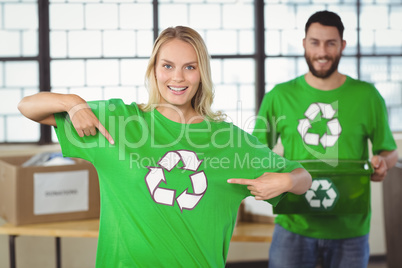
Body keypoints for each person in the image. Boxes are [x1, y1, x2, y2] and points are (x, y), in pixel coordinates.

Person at [18, 26, 311, 267]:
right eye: (167, 66)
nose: (178, 77)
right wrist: (73, 104)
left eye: (190, 67)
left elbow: (303, 179)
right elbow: (27, 107)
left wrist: (287, 179)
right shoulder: (119, 121)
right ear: (154, 70)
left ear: (202, 74)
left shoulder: (231, 141)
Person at [253, 10, 398, 268]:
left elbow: (388, 151)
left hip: (350, 227)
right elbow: (256, 150)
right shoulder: (279, 96)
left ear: (342, 45)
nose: (322, 52)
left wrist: (383, 163)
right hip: (294, 223)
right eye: (315, 42)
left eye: (331, 43)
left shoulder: (367, 96)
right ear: (304, 44)